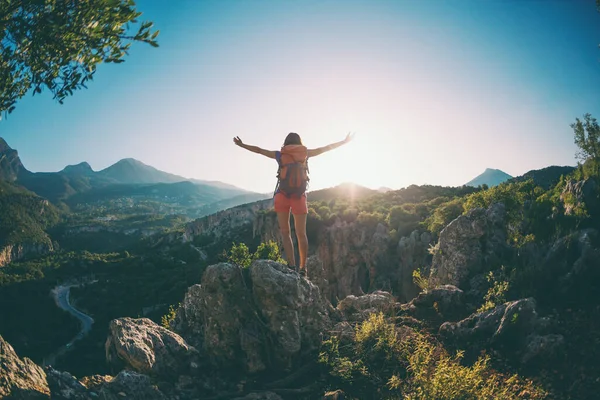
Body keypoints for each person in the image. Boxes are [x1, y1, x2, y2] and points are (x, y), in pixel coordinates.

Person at [233, 132, 354, 275]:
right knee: (301, 234)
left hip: (282, 195)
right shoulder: (305, 153)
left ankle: (291, 265)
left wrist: (242, 145)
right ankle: (303, 268)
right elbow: (325, 148)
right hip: (299, 196)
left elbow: (259, 150)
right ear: (299, 142)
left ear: (286, 142)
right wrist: (343, 141)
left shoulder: (280, 155)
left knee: (285, 233)